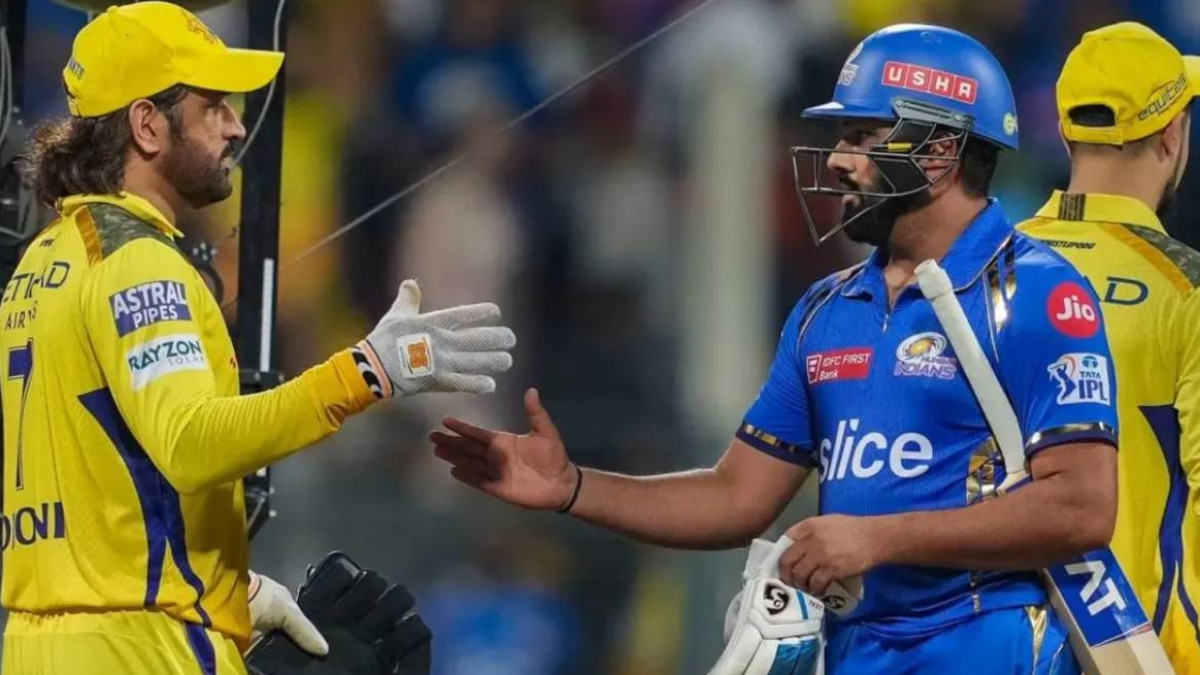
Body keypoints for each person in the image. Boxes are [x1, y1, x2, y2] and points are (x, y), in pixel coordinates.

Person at [432, 24, 1119, 673]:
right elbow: (736, 496)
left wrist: (878, 537)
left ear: (939, 153)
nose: (839, 160)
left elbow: (1083, 507)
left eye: (862, 136)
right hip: (857, 650)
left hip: (987, 646)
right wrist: (573, 487)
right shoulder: (827, 310)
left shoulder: (1040, 293)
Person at [0, 4, 516, 674]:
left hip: (40, 644)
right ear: (147, 124)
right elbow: (189, 441)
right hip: (140, 649)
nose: (237, 125)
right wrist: (366, 372)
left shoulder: (43, 261)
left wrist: (230, 592)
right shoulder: (139, 262)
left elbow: (93, 480)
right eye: (212, 106)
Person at [1017, 22, 1200, 672]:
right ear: (1173, 135)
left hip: (986, 646)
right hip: (1140, 653)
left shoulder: (977, 268)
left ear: (1066, 131)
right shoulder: (1186, 291)